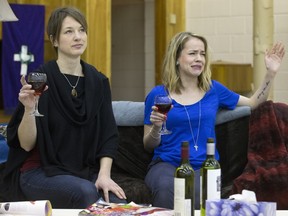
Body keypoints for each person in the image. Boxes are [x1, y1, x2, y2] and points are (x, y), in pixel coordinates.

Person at [0, 7, 126, 208]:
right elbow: (25, 144)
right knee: (85, 192)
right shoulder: (40, 80)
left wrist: (104, 176)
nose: (78, 37)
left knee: (119, 201)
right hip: (39, 172)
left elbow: (108, 135)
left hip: (84, 171)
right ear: (55, 40)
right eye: (69, 31)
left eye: (81, 30)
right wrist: (29, 108)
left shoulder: (99, 81)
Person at [143, 31, 285, 209]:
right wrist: (156, 128)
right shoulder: (158, 95)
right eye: (192, 53)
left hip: (204, 166)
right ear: (177, 58)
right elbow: (148, 144)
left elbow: (253, 102)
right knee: (167, 188)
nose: (199, 59)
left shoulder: (213, 90)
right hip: (165, 164)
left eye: (202, 54)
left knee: (196, 192)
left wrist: (270, 74)